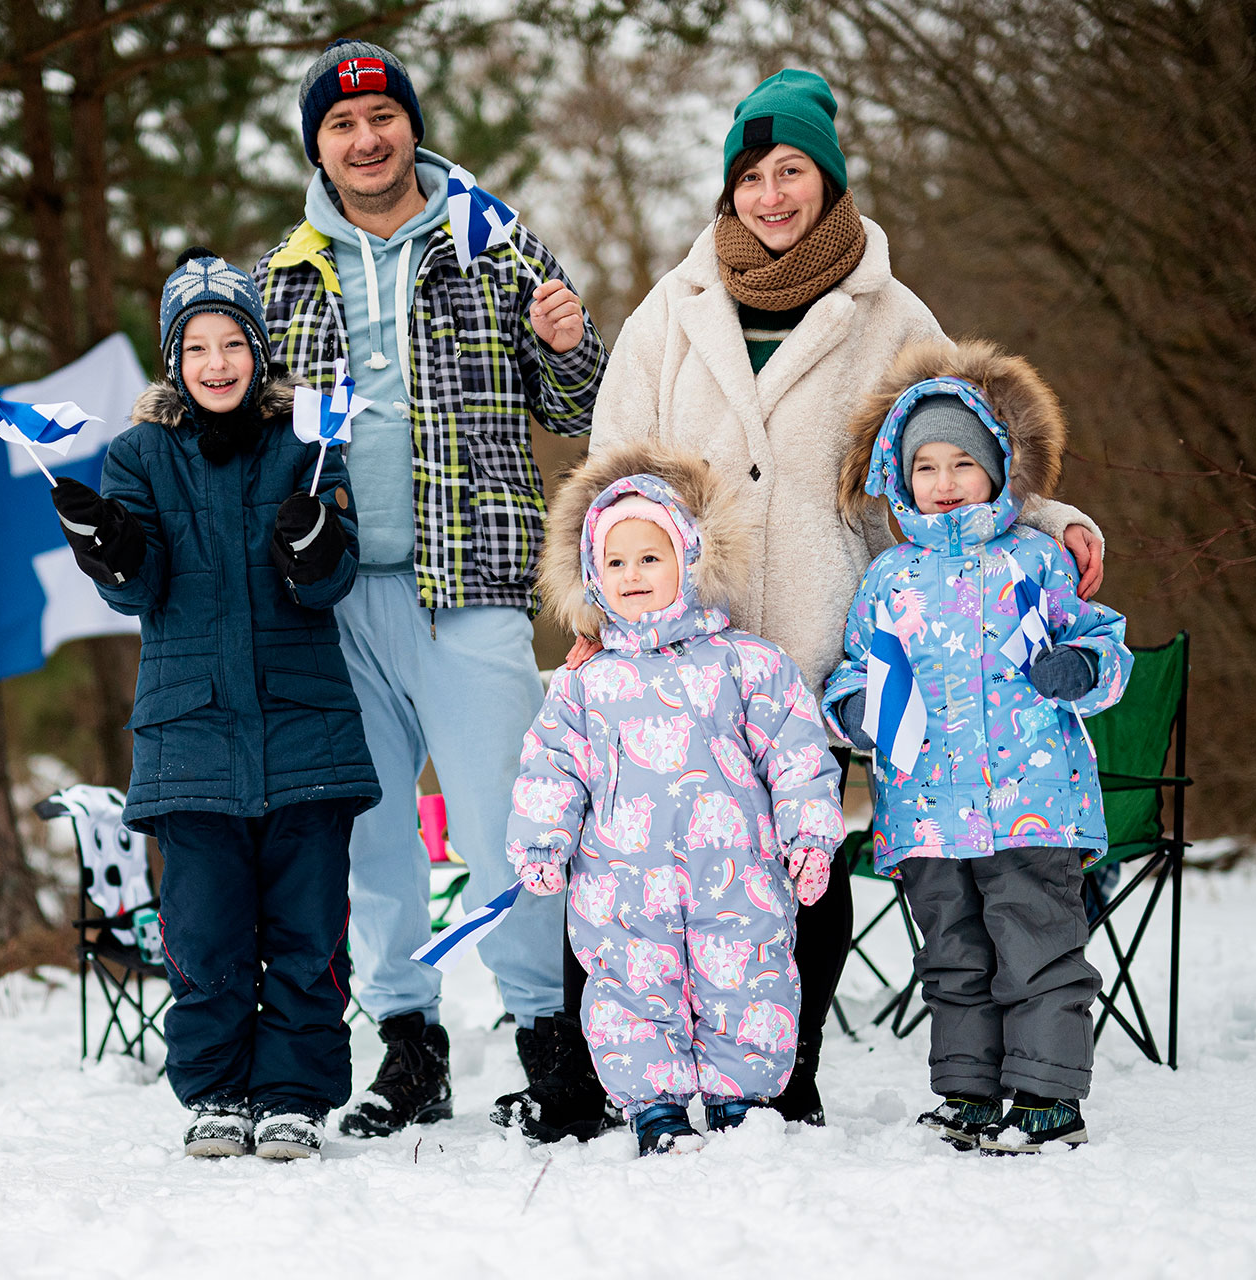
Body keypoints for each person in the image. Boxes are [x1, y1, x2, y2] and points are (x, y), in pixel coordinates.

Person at [558, 68, 1107, 1128]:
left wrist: (1055, 519)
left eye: (793, 171)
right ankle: (610, 1075)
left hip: (824, 634)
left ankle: (786, 1070)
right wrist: (595, 616)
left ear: (829, 179)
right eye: (753, 175)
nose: (772, 195)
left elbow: (957, 451)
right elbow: (612, 478)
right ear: (729, 190)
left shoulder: (890, 313)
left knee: (801, 852)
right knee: (639, 855)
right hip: (681, 644)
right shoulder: (669, 314)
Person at [254, 40, 610, 1140]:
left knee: (507, 830)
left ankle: (553, 1040)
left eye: (382, 118)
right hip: (332, 603)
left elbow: (577, 404)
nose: (367, 139)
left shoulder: (491, 246)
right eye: (342, 126)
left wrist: (571, 340)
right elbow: (235, 428)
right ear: (318, 145)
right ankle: (410, 1042)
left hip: (474, 585)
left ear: (410, 124)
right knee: (373, 838)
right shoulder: (281, 277)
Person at [49, 249, 380, 1160]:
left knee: (309, 934)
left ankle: (293, 1097)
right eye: (197, 346)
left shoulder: (307, 443)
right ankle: (217, 1093)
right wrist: (109, 543)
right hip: (189, 738)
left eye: (234, 341)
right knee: (206, 934)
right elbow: (136, 586)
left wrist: (314, 547)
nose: (218, 361)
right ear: (173, 360)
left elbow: (333, 579)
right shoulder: (138, 454)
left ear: (259, 351)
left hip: (304, 730)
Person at [822, 337, 1131, 1153]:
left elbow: (1105, 644)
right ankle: (969, 1092)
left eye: (964, 462)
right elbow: (853, 669)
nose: (946, 482)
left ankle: (1046, 1095)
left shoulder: (1032, 559)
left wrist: (1083, 665)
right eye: (926, 466)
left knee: (1036, 945)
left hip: (1033, 803)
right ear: (900, 476)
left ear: (998, 465)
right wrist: (855, 712)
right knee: (954, 960)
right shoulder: (888, 578)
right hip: (926, 813)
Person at [506, 445, 845, 1155]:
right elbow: (551, 766)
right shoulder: (586, 683)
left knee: (747, 981)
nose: (633, 575)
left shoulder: (746, 664)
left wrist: (810, 837)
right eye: (617, 563)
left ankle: (740, 1100)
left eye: (650, 558)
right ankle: (652, 1106)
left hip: (738, 881)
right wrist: (543, 839)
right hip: (623, 886)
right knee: (629, 990)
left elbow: (797, 755)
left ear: (689, 561)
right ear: (595, 578)